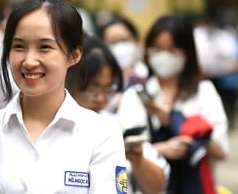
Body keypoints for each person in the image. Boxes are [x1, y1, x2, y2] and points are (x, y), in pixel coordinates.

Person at [0, 0, 128, 193]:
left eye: (45, 47)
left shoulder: (102, 134)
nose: (30, 61)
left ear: (74, 55)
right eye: (19, 46)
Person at [116, 14, 230, 193]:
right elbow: (121, 151)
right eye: (158, 49)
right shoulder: (136, 95)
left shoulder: (204, 91)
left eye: (173, 50)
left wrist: (180, 125)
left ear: (187, 52)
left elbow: (221, 151)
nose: (164, 56)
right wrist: (160, 149)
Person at [66, 34, 169, 194]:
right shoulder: (54, 128)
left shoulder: (114, 127)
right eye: (92, 87)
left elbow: (158, 186)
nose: (100, 98)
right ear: (68, 79)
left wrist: (138, 160)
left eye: (108, 89)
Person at [100, 15, 148, 89]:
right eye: (113, 42)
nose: (120, 47)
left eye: (124, 40)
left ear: (136, 40)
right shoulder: (99, 78)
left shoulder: (147, 74)